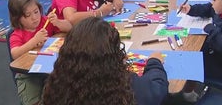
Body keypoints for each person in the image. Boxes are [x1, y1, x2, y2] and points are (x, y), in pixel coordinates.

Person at [41, 17, 169, 105]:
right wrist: (154, 62)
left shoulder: (57, 85)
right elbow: (157, 87)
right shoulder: (127, 86)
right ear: (113, 56)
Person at [8, 0, 72, 105]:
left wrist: (58, 22)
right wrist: (33, 41)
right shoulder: (17, 34)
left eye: (36, 12)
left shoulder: (44, 21)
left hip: (49, 70)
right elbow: (15, 54)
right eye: (28, 15)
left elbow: (70, 28)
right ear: (17, 19)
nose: (34, 18)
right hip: (27, 75)